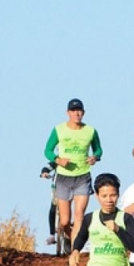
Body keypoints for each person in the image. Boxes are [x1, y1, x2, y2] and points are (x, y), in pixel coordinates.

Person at [44, 98, 103, 255]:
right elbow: (47, 150)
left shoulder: (90, 131)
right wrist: (57, 160)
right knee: (64, 221)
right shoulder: (59, 130)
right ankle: (70, 238)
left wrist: (94, 157)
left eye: (79, 111)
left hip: (82, 177)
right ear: (68, 113)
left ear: (83, 113)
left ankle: (74, 252)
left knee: (79, 217)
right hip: (63, 178)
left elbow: (98, 150)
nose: (77, 113)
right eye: (73, 111)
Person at [40, 162, 58, 245]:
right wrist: (45, 173)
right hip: (57, 187)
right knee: (53, 207)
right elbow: (47, 167)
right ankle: (52, 235)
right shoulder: (58, 159)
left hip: (73, 187)